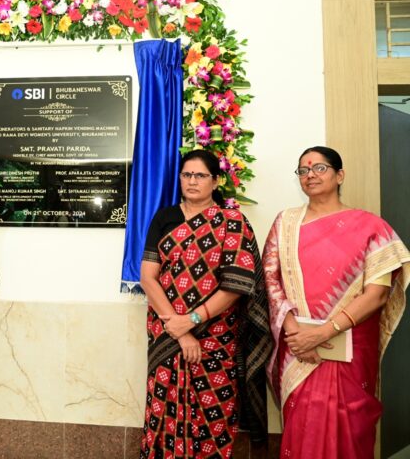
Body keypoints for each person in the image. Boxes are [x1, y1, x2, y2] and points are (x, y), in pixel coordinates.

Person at [262, 146, 410, 458]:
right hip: (300, 348)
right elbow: (271, 281)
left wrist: (324, 332)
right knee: (303, 425)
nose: (310, 175)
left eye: (319, 168)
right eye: (303, 170)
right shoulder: (285, 223)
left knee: (350, 427)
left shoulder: (371, 227)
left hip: (350, 348)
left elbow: (378, 294)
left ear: (339, 175)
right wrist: (296, 334)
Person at [138, 149, 272, 458]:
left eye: (200, 175)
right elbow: (148, 277)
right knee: (163, 404)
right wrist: (180, 330)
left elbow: (237, 285)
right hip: (168, 334)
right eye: (186, 175)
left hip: (216, 338)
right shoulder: (165, 217)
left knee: (214, 412)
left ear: (216, 180)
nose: (192, 181)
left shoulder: (232, 222)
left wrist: (194, 320)